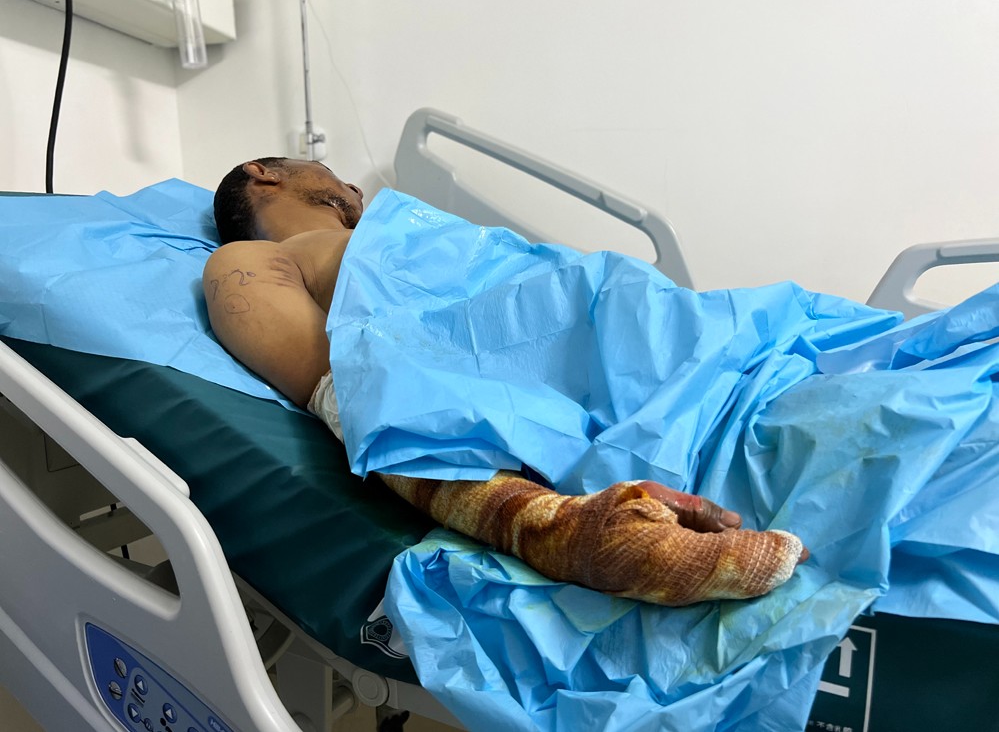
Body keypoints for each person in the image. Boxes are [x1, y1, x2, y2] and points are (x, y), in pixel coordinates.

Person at [204, 157, 808, 607]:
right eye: (332, 173)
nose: (355, 188)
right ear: (263, 173)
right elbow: (354, 396)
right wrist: (551, 529)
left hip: (667, 326)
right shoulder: (252, 259)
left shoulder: (408, 225)